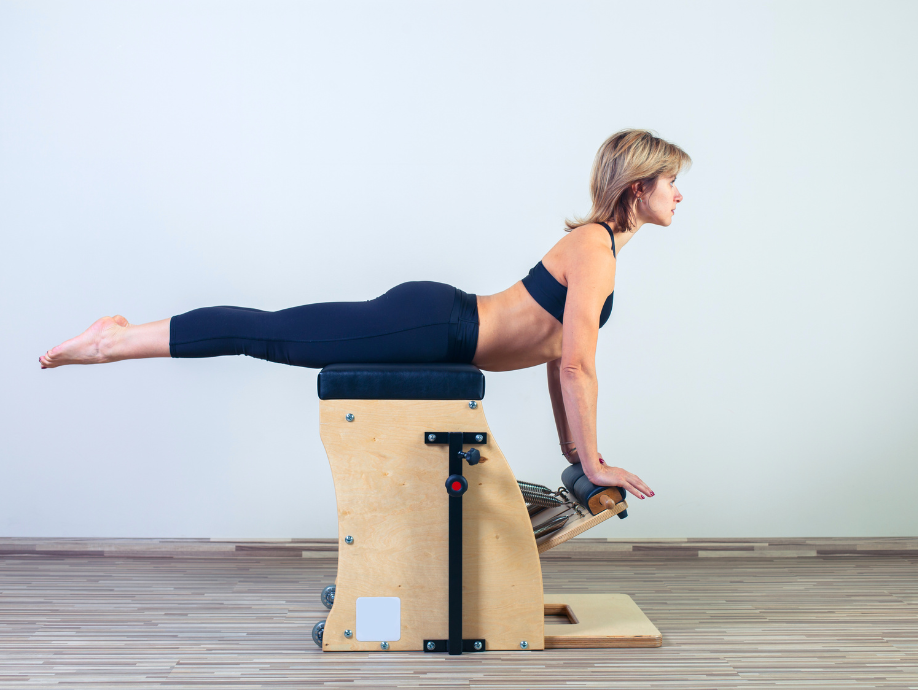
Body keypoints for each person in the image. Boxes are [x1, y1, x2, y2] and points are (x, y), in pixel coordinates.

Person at [39, 129, 689, 501]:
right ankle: (115, 340)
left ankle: (121, 336)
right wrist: (596, 462)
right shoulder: (595, 247)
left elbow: (554, 357)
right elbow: (577, 364)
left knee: (272, 330)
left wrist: (577, 453)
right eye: (670, 183)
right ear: (640, 188)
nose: (679, 194)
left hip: (441, 325)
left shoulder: (599, 249)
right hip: (437, 326)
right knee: (269, 332)